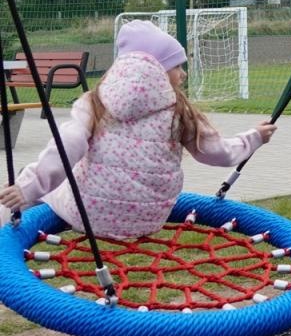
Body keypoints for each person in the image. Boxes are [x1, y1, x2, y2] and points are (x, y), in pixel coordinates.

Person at [0, 21, 275, 238]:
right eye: (177, 66)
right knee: (54, 178)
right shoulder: (179, 110)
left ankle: (6, 220)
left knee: (31, 181)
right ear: (159, 68)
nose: (183, 74)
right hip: (149, 221)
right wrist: (254, 138)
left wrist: (28, 187)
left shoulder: (95, 101)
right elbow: (218, 153)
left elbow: (68, 144)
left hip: (89, 215)